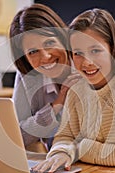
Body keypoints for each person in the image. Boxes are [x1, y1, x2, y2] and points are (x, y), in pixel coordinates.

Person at [32, 8, 115, 173]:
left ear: (112, 48)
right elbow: (64, 137)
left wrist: (79, 148)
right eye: (78, 53)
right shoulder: (76, 88)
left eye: (95, 50)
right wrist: (60, 153)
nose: (87, 62)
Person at [9, 4, 81, 151]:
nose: (45, 57)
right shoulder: (27, 74)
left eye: (49, 43)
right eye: (33, 51)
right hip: (58, 161)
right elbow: (16, 136)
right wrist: (56, 106)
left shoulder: (87, 63)